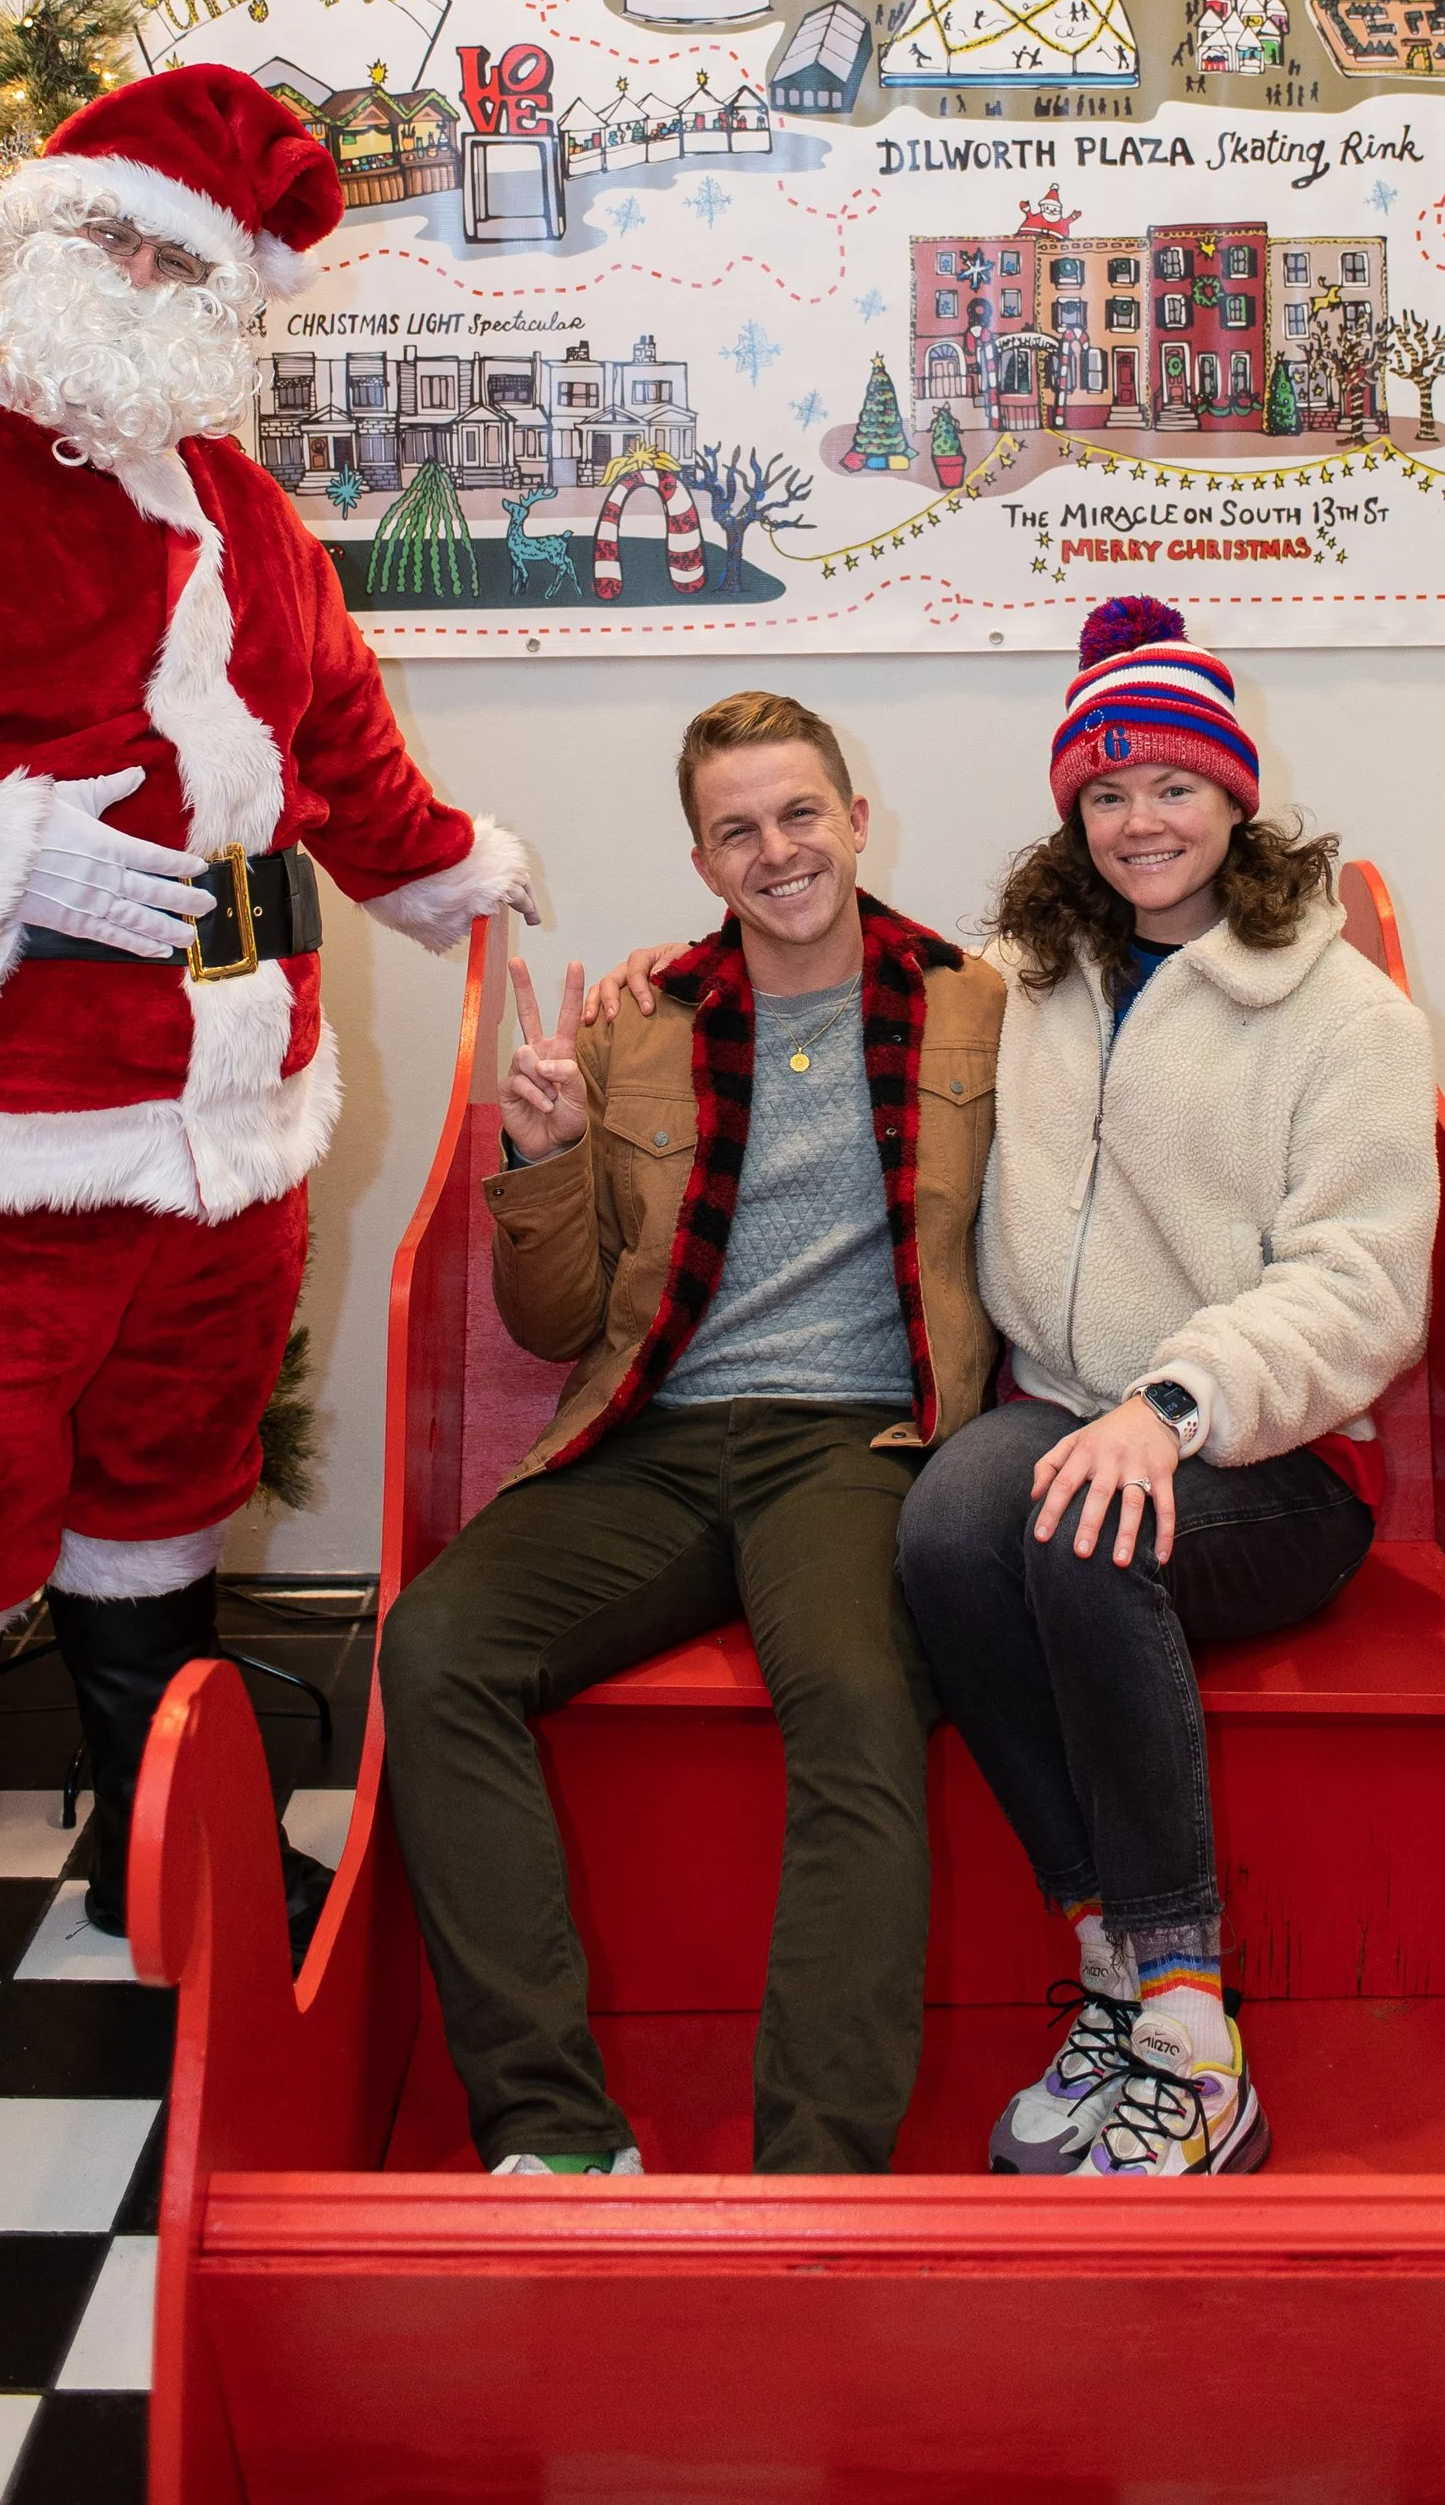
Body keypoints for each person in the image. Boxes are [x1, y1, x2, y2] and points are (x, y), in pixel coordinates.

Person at [0, 64, 534, 2128]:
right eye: (107, 235)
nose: (132, 277)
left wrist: (446, 873)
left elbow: (337, 754)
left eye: (178, 260)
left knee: (163, 1501)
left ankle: (175, 1872)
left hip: (226, 1144)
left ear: (231, 304)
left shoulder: (246, 513)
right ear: (28, 229)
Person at [377, 689, 1004, 2177]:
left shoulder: (981, 1006)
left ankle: (819, 2167)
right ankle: (555, 2134)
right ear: (704, 860)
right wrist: (540, 1162)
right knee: (436, 1649)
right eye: (738, 831)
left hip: (853, 1445)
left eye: (800, 815)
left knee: (860, 1706)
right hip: (653, 1437)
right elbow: (555, 1323)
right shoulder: (639, 1024)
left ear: (858, 820)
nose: (777, 851)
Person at [895, 595, 1437, 2179]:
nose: (1142, 821)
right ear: (1074, 813)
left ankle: (1194, 2037)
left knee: (1086, 1532)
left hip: (1271, 1463)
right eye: (1108, 791)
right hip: (1065, 1408)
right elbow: (867, 991)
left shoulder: (1351, 1019)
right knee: (944, 1536)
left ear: (1234, 801)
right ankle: (1116, 1969)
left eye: (1176, 786)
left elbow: (1363, 1287)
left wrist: (1176, 1404)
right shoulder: (1035, 976)